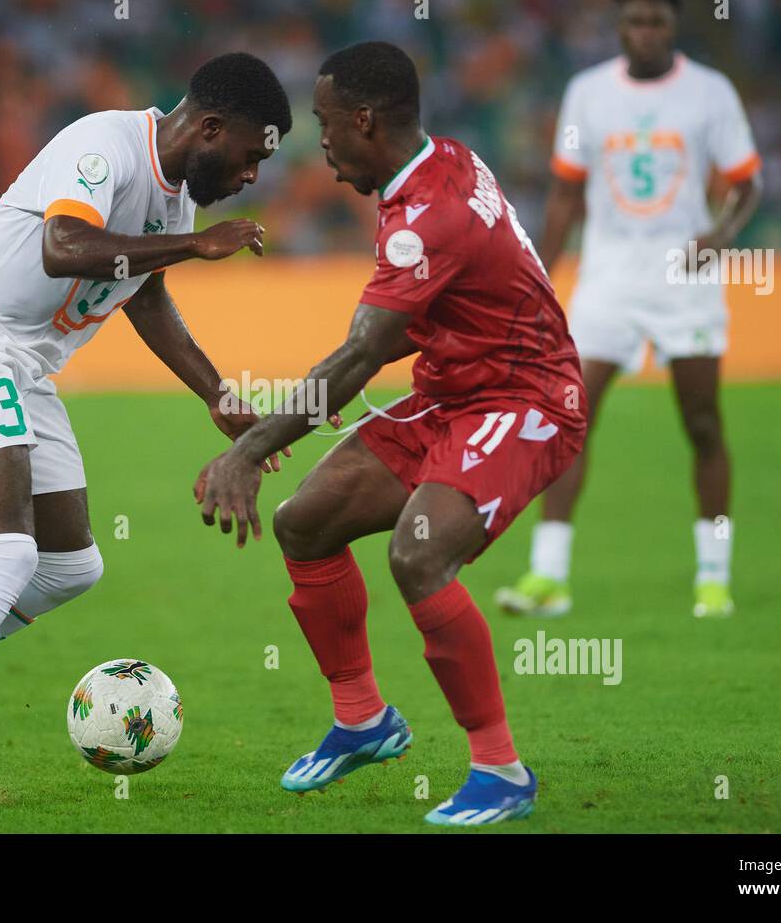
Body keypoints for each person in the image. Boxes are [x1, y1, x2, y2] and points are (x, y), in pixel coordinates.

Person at [0, 52, 293, 817]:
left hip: (20, 365)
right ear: (209, 128)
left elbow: (143, 299)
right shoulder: (103, 146)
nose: (250, 178)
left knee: (68, 567)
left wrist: (216, 393)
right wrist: (196, 246)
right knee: (5, 552)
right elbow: (63, 246)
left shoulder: (173, 204)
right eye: (248, 158)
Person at [194, 42, 586, 827]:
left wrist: (249, 447)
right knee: (304, 524)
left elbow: (366, 349)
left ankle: (500, 770)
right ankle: (364, 722)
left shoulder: (427, 215)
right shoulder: (440, 163)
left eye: (326, 124)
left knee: (418, 553)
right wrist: (341, 376)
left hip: (526, 396)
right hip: (452, 390)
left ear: (364, 120)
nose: (320, 144)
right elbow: (426, 316)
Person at [496, 0, 762, 620]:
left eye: (657, 22)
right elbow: (565, 194)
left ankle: (713, 577)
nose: (646, 31)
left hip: (685, 279)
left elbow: (748, 184)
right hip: (609, 277)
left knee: (702, 424)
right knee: (572, 418)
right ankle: (548, 577)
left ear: (673, 27)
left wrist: (721, 236)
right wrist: (540, 276)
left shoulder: (710, 92)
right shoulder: (588, 93)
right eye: (635, 22)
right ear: (620, 29)